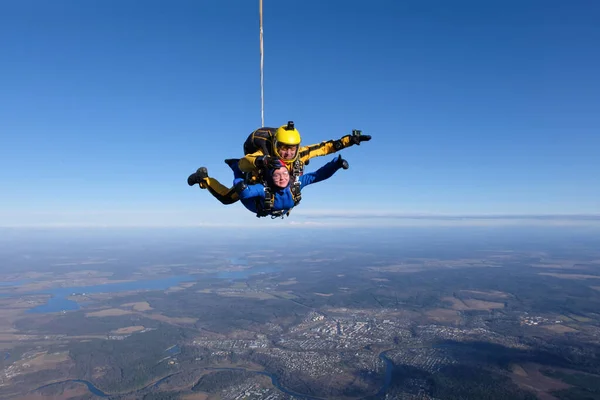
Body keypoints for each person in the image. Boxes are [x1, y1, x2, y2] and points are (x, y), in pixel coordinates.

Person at [187, 121, 371, 206]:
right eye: (283, 148)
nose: (288, 153)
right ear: (275, 145)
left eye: (292, 148)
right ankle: (204, 179)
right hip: (259, 182)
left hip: (282, 190)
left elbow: (325, 148)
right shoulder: (265, 155)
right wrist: (261, 161)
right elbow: (244, 163)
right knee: (228, 198)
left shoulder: (300, 154)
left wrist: (349, 140)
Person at [188, 155, 349, 217]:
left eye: (284, 174)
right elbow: (245, 194)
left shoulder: (296, 184)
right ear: (270, 177)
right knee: (227, 199)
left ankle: (236, 166)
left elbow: (318, 175)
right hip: (254, 204)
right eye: (277, 175)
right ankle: (205, 179)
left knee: (234, 191)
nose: (281, 178)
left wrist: (336, 164)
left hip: (272, 208)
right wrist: (240, 185)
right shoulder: (264, 188)